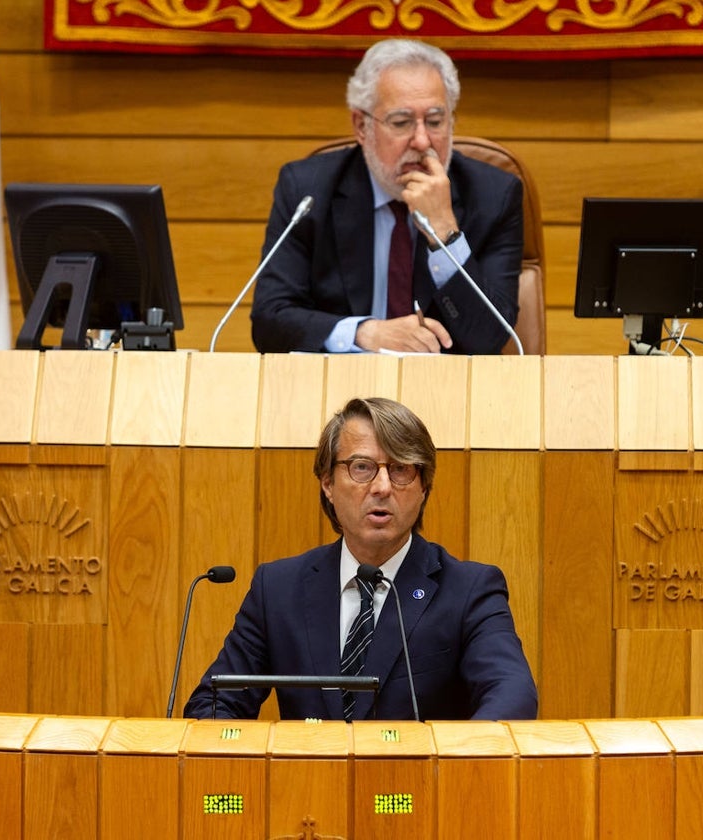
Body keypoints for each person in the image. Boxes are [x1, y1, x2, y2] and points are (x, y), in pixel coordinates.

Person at [185, 396, 537, 721]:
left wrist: (447, 762)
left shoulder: (467, 590)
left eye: (401, 469)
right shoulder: (278, 589)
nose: (382, 486)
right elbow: (214, 704)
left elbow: (512, 694)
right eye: (362, 467)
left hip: (419, 785)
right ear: (327, 483)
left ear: (424, 486)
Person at [249, 40, 523, 356]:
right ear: (361, 126)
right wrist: (367, 332)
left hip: (446, 391)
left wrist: (445, 231)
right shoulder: (308, 190)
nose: (422, 141)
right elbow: (270, 322)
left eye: (435, 121)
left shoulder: (493, 196)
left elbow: (489, 339)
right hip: (336, 390)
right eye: (401, 122)